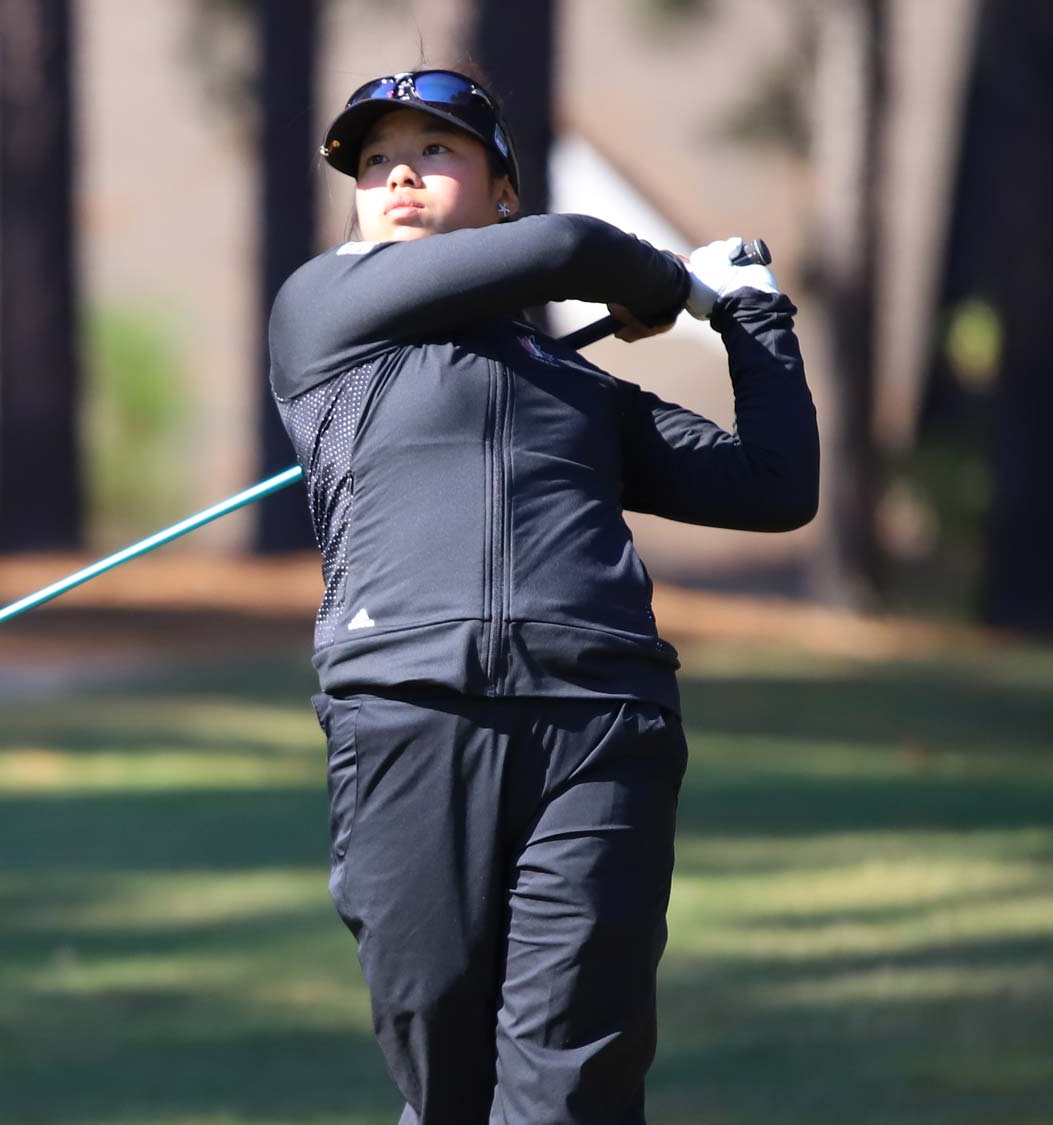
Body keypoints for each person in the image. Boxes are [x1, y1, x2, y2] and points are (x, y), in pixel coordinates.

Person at [268, 67, 819, 1124]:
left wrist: (750, 318)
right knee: (441, 1069)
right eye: (374, 162)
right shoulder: (321, 311)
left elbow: (772, 487)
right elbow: (573, 249)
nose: (398, 178)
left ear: (500, 193)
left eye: (435, 153)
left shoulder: (579, 387)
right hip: (410, 710)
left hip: (601, 723)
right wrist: (664, 284)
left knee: (570, 1085)